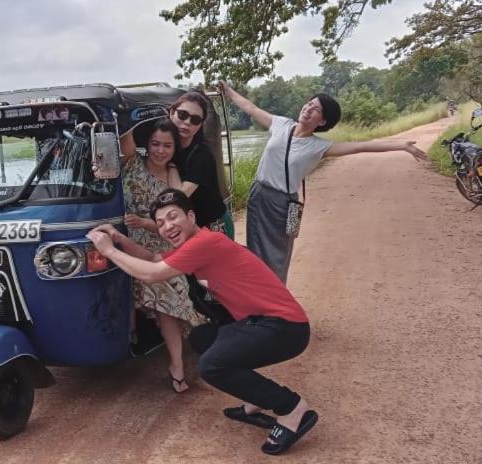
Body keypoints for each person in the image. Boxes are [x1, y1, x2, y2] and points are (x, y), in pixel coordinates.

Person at [85, 189, 316, 455]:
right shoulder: (194, 244)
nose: (167, 226)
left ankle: (291, 408)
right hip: (259, 323)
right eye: (160, 223)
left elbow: (151, 274)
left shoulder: (205, 243)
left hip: (286, 328)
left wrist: (108, 250)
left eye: (173, 217)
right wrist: (119, 237)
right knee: (202, 337)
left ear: (191, 216)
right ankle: (256, 398)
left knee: (211, 366)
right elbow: (152, 259)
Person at [220, 82, 429, 283]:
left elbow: (360, 147)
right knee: (255, 251)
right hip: (259, 195)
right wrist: (229, 92)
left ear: (322, 122)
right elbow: (251, 108)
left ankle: (276, 308)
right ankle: (256, 305)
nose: (309, 109)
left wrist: (401, 145)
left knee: (277, 256)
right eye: (310, 103)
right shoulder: (281, 123)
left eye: (317, 109)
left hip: (282, 204)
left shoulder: (319, 147)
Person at [121, 119, 204, 393]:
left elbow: (177, 208)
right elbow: (126, 137)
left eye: (167, 145)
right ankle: (133, 337)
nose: (160, 150)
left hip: (161, 245)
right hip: (129, 245)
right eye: (155, 144)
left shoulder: (172, 173)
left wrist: (146, 223)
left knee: (167, 292)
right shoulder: (133, 162)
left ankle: (177, 365)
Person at [168, 91, 234, 238]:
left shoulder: (202, 154)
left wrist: (170, 165)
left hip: (214, 226)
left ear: (201, 125)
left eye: (195, 120)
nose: (187, 123)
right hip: (190, 227)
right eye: (183, 115)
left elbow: (180, 197)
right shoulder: (165, 146)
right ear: (172, 112)